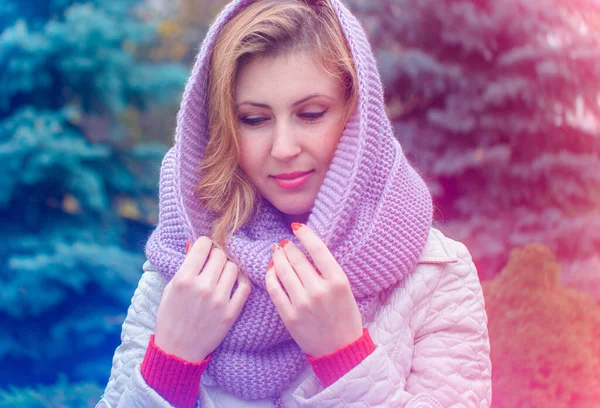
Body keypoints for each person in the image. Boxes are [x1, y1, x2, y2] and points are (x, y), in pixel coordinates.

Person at [96, 0, 492, 407]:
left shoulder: (436, 274)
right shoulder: (183, 270)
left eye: (311, 113)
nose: (283, 148)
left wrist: (344, 357)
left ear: (357, 115)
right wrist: (171, 366)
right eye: (254, 119)